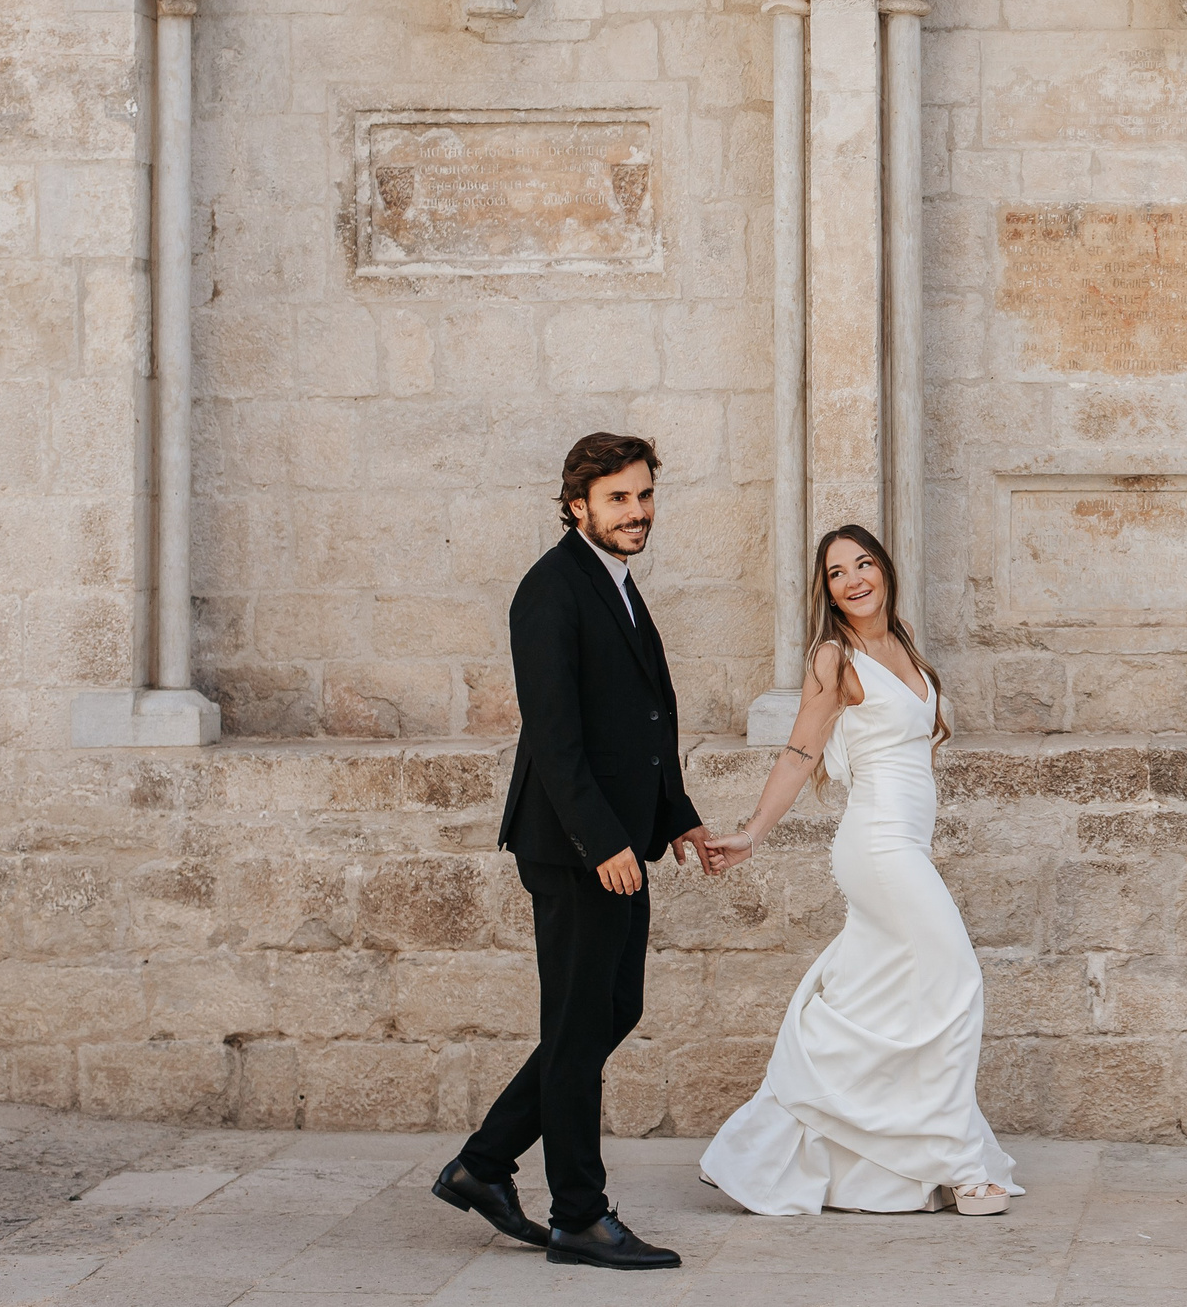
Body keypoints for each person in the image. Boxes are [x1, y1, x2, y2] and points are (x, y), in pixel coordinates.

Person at [432, 433, 717, 1270]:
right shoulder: (549, 591)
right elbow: (556, 739)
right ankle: (579, 1215)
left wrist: (678, 818)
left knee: (606, 1013)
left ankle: (483, 1165)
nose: (636, 512)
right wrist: (603, 841)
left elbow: (643, 723)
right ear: (577, 504)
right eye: (618, 499)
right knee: (576, 1024)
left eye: (643, 496)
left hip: (620, 841)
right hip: (575, 847)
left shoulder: (615, 585)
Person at [695, 524, 1020, 1216]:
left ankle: (758, 1147)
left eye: (863, 563)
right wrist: (753, 832)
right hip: (877, 844)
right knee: (956, 977)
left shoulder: (900, 642)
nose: (853, 579)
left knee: (876, 999)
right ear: (827, 590)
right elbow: (799, 754)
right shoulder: (832, 659)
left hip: (905, 842)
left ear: (884, 569)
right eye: (837, 572)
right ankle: (962, 1166)